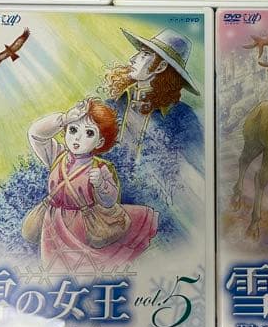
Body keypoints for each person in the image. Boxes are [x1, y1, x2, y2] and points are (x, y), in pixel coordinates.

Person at [21, 98, 158, 269]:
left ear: (100, 142)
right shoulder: (57, 156)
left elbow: (110, 202)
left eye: (89, 133)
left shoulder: (100, 167)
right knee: (54, 268)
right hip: (53, 226)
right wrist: (64, 118)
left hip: (84, 226)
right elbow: (35, 134)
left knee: (86, 269)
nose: (78, 138)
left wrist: (100, 184)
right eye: (73, 129)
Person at [101, 28, 203, 172]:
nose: (133, 59)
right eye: (139, 53)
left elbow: (195, 168)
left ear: (161, 67)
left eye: (144, 54)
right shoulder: (113, 106)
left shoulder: (183, 118)